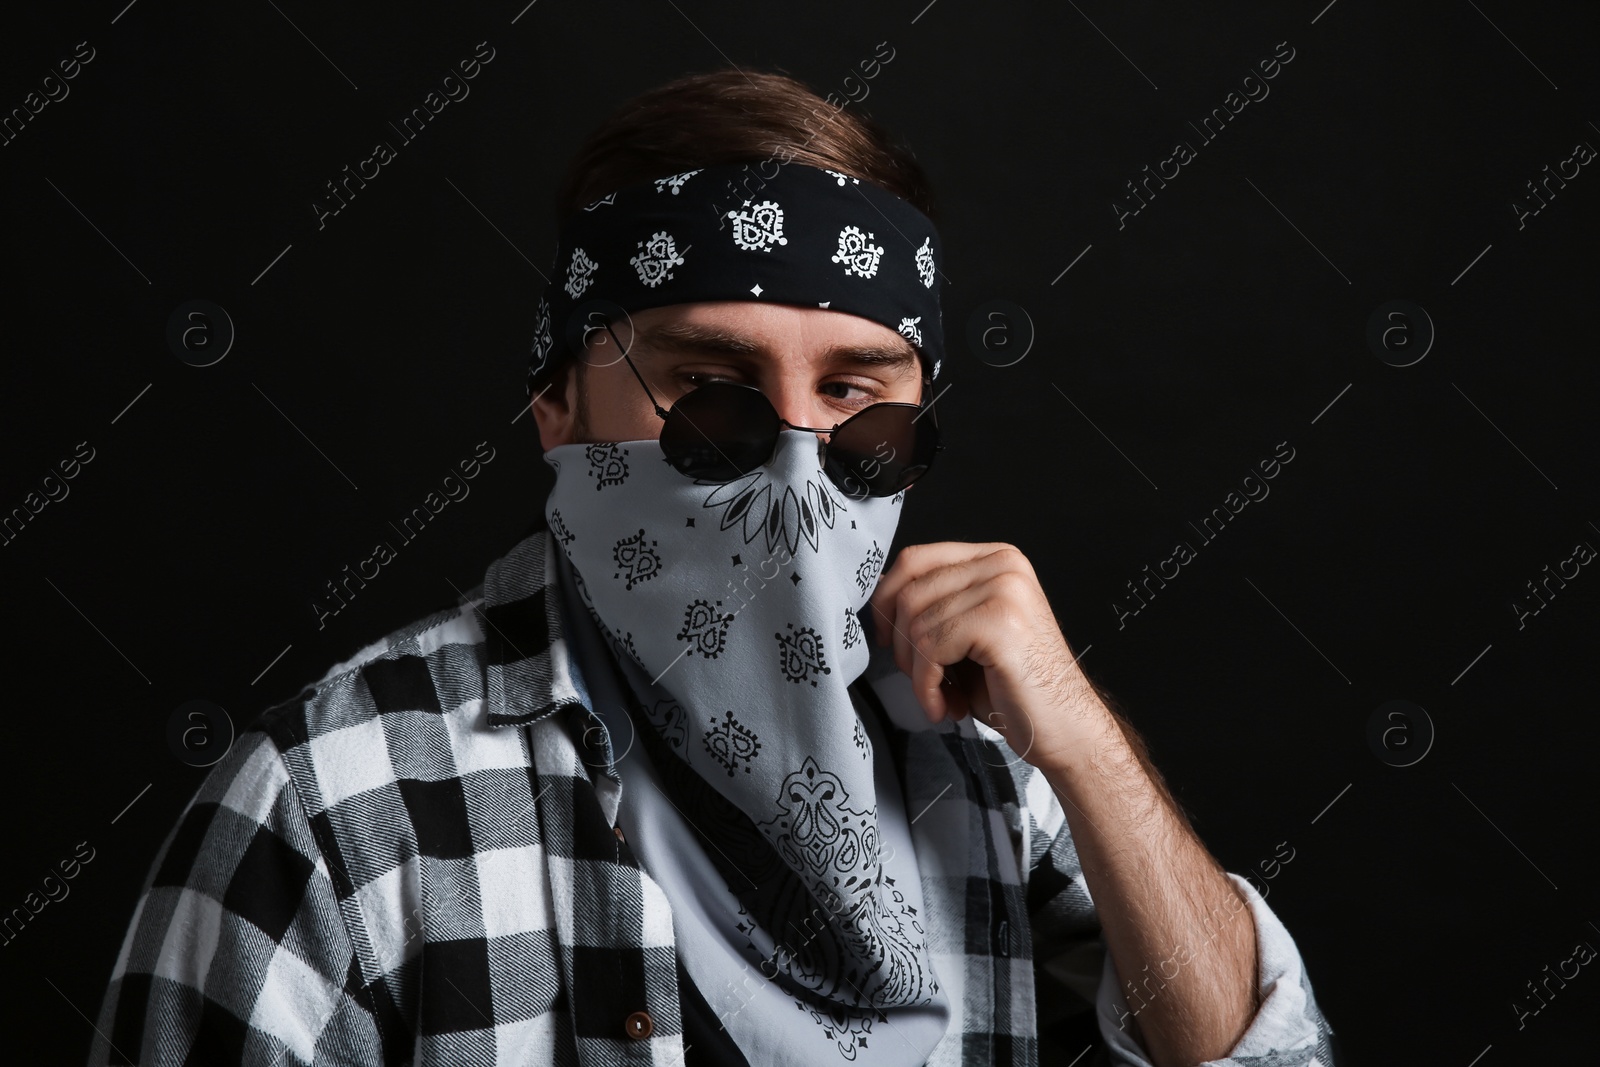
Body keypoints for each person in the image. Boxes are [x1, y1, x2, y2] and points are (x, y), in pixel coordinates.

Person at [89, 68, 1337, 1067]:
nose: (796, 471)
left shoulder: (991, 759)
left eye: (856, 401)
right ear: (560, 413)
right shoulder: (334, 807)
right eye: (710, 392)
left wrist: (1084, 744)